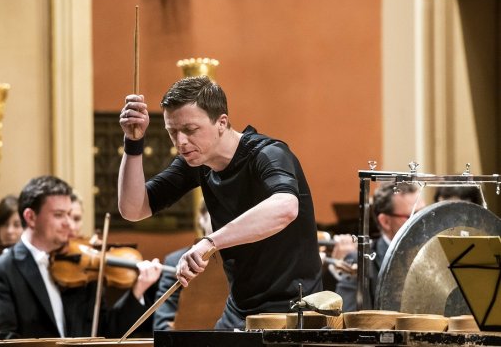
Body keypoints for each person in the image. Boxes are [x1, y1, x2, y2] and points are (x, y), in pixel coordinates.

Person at [118, 76, 322, 329]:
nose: (180, 142)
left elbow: (285, 207)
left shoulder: (269, 154)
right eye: (173, 132)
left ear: (221, 122)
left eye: (190, 130)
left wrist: (210, 242)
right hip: (240, 310)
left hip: (295, 310)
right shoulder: (196, 163)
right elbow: (133, 209)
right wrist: (133, 142)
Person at [0, 175, 162, 340]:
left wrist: (137, 291)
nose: (68, 224)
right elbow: (0, 339)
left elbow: (106, 332)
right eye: (58, 215)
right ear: (31, 217)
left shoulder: (79, 264)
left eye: (69, 214)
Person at [334, 182, 426, 311]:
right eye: (412, 216)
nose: (423, 222)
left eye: (424, 213)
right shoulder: (362, 261)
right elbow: (348, 317)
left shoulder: (437, 255)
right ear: (386, 222)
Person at [153, 199, 213, 330]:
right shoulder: (175, 262)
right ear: (202, 218)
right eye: (216, 212)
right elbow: (162, 325)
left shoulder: (245, 260)